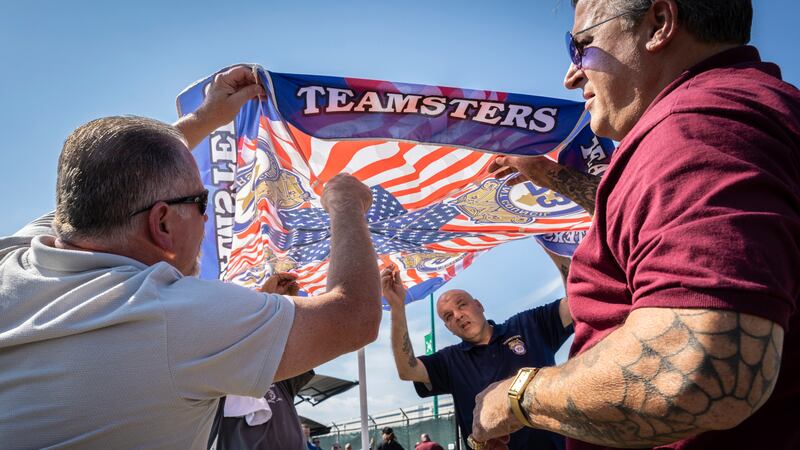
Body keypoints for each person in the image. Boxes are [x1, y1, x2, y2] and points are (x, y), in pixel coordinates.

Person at [471, 1, 800, 449]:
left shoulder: (696, 127)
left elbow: (702, 371)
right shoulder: (741, 111)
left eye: (581, 47)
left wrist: (514, 398)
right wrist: (547, 174)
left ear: (660, 24)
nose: (572, 75)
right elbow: (640, 217)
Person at [0, 66, 382, 448]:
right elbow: (352, 318)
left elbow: (114, 180)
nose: (208, 216)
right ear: (162, 222)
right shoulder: (170, 315)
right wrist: (346, 205)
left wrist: (204, 118)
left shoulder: (11, 261)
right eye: (200, 203)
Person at [382, 264, 572, 450]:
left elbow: (575, 304)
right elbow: (408, 370)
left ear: (479, 305)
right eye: (448, 317)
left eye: (461, 304)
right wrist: (398, 307)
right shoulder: (450, 361)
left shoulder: (528, 325)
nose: (457, 316)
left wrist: (556, 250)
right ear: (448, 328)